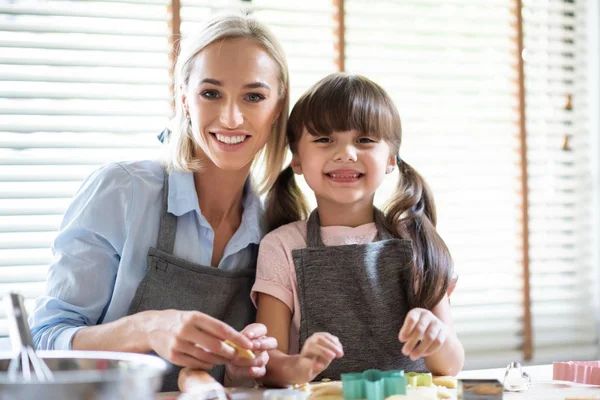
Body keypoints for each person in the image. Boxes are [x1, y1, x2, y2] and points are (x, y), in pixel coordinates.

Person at [29, 13, 290, 392]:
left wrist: (242, 370)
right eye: (211, 93)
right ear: (184, 99)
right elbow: (43, 343)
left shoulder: (273, 230)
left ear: (277, 107)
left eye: (253, 96)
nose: (231, 117)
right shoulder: (123, 190)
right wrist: (148, 327)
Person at [251, 73, 464, 387]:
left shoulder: (415, 241)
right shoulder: (281, 246)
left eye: (364, 140)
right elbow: (269, 364)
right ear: (296, 159)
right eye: (324, 139)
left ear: (391, 159)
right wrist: (301, 365)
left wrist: (437, 335)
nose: (346, 154)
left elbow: (452, 365)